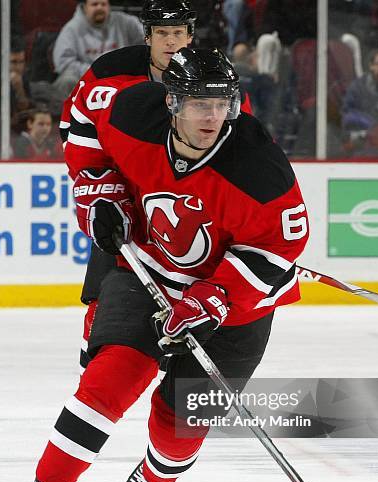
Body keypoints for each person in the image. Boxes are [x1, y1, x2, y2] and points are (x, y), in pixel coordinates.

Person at [14, 47, 308, 482]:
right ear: (171, 102)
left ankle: (153, 475)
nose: (212, 116)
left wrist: (212, 299)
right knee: (107, 382)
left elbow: (279, 249)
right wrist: (99, 191)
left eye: (222, 104)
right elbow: (83, 125)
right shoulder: (132, 113)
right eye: (199, 104)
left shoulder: (259, 168)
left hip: (235, 310)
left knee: (179, 428)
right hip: (150, 270)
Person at [59, 0, 251, 375]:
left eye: (178, 33)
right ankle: (98, 360)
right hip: (125, 198)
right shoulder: (109, 71)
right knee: (111, 277)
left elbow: (240, 143)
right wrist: (101, 189)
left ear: (190, 36)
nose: (170, 42)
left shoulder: (211, 75)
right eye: (162, 33)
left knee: (189, 281)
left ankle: (179, 359)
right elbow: (75, 130)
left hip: (183, 201)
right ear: (147, 36)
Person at [50, 0, 144, 113]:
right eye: (94, 4)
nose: (99, 8)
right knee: (66, 80)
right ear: (84, 7)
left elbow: (147, 43)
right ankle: (68, 118)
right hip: (87, 78)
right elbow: (63, 62)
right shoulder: (71, 29)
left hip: (123, 76)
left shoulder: (126, 22)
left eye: (103, 4)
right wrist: (96, 71)